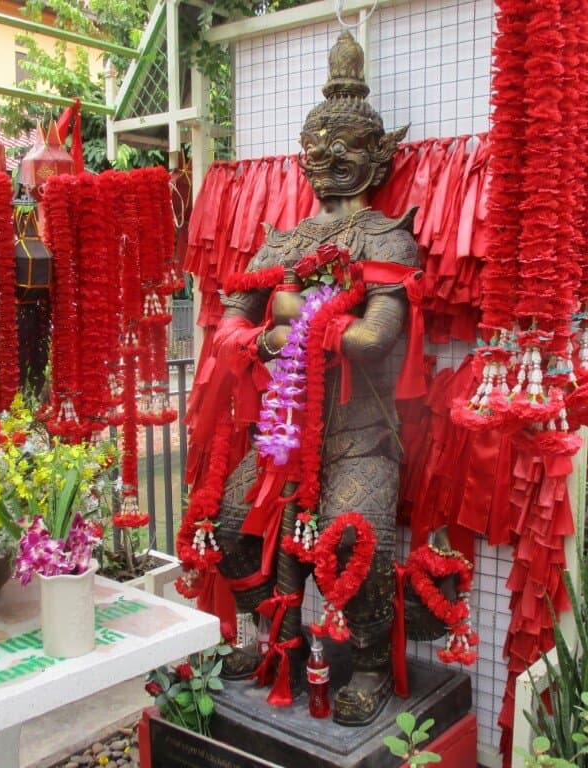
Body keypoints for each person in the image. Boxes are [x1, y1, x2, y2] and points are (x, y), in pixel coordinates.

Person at [211, 30, 420, 726]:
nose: (328, 162)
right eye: (318, 150)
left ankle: (365, 666)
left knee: (352, 533)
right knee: (233, 519)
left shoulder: (387, 235)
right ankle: (275, 634)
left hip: (360, 435)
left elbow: (374, 337)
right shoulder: (281, 242)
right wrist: (274, 333)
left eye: (346, 151)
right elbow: (228, 326)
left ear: (378, 157)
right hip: (283, 433)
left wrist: (316, 319)